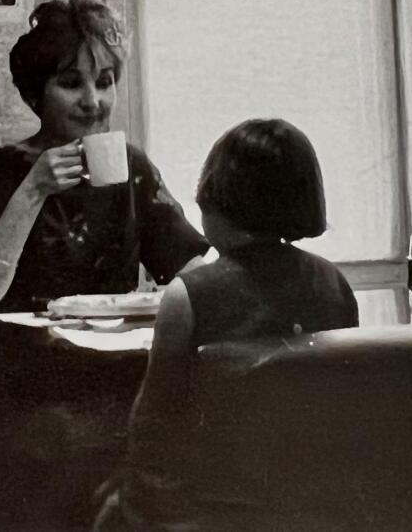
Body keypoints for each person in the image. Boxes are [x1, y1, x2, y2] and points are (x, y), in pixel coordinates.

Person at [95, 119, 358, 532]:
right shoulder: (334, 284)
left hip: (207, 507)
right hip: (307, 502)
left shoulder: (188, 294)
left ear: (217, 199)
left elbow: (152, 428)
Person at [0, 0, 207, 315]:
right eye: (71, 83)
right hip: (21, 357)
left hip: (113, 356)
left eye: (104, 82)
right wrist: (34, 189)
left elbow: (189, 269)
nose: (92, 101)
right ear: (33, 95)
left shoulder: (131, 166)